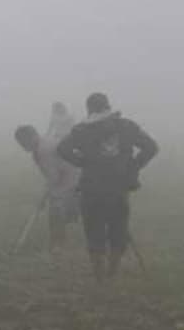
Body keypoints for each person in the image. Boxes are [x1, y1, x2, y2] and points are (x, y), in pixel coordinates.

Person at [56, 94, 158, 282]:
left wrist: (82, 162)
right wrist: (133, 166)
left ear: (89, 110)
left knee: (93, 229)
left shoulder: (82, 130)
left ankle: (99, 275)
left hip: (91, 189)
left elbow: (62, 149)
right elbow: (151, 147)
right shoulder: (127, 126)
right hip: (118, 188)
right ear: (108, 106)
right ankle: (112, 271)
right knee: (118, 228)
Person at [14, 125, 80, 249]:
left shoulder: (43, 150)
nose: (23, 146)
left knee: (55, 208)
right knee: (60, 202)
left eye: (24, 142)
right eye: (21, 143)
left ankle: (58, 243)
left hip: (71, 179)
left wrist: (44, 197)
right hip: (70, 176)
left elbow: (53, 178)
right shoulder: (44, 143)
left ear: (33, 136)